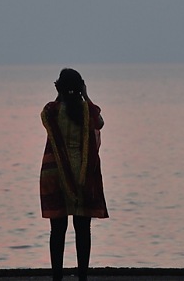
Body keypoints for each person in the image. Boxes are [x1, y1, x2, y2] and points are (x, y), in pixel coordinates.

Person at [40, 68, 108, 281]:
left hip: (56, 174)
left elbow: (47, 113)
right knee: (83, 229)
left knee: (57, 230)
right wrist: (85, 96)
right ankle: (82, 277)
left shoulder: (51, 111)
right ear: (80, 87)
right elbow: (101, 123)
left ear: (59, 88)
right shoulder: (88, 111)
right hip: (83, 174)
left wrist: (62, 94)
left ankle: (57, 277)